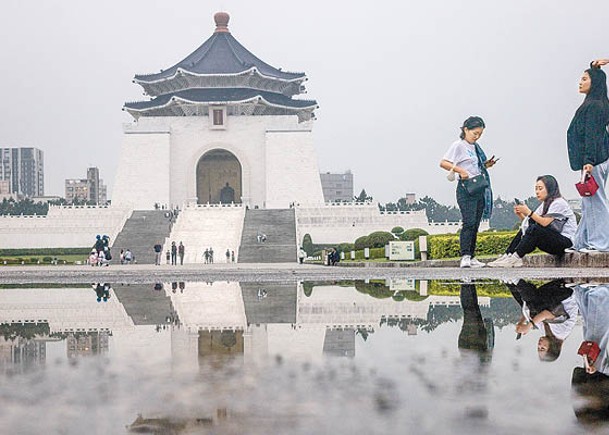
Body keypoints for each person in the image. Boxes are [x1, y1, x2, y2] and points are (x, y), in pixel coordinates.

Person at [440, 116, 498, 268]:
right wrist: (461, 170)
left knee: (476, 224)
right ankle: (464, 256)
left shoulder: (476, 148)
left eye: (480, 134)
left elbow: (477, 167)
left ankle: (472, 256)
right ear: (466, 129)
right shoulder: (458, 145)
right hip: (466, 189)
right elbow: (444, 163)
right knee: (469, 223)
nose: (477, 136)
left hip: (478, 188)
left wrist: (486, 165)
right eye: (475, 133)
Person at [488, 175, 576, 268]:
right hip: (554, 240)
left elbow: (544, 222)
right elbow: (530, 224)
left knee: (536, 229)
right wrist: (521, 214)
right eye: (536, 189)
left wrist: (528, 212)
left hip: (566, 242)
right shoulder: (545, 204)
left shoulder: (559, 203)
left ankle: (515, 258)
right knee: (528, 228)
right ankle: (509, 255)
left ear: (550, 189)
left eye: (540, 189)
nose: (537, 192)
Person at [567, 62, 609, 252]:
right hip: (596, 159)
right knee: (588, 201)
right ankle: (581, 242)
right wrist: (594, 66)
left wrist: (589, 161)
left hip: (594, 160)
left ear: (595, 83)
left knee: (595, 201)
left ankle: (600, 244)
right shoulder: (598, 103)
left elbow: (592, 134)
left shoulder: (594, 106)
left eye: (585, 79)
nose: (580, 82)